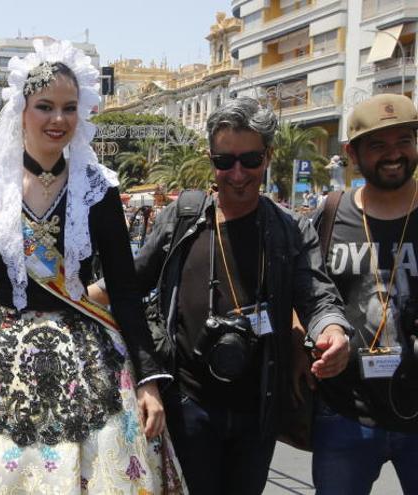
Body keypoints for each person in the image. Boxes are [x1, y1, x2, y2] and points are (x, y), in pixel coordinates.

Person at [0, 40, 184, 494]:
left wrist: (148, 380)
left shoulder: (99, 188)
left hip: (89, 347)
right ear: (21, 110)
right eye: (45, 106)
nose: (58, 119)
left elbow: (125, 289)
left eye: (69, 108)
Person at [133, 96, 351, 494]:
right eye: (224, 161)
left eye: (249, 160)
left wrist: (333, 330)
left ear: (267, 156)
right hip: (187, 405)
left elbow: (318, 296)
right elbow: (128, 290)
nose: (237, 173)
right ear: (210, 158)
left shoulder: (290, 230)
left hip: (258, 410)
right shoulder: (183, 219)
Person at [310, 93, 418, 494]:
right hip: (345, 413)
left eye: (404, 141)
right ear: (351, 153)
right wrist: (320, 339)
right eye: (378, 145)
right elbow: (306, 293)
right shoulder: (331, 213)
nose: (394, 155)